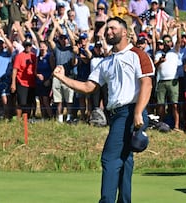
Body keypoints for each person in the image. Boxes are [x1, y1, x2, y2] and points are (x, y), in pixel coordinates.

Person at [52, 17, 154, 202]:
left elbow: (146, 83)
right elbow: (88, 87)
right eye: (107, 29)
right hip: (116, 116)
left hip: (131, 112)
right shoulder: (106, 62)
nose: (109, 32)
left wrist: (139, 112)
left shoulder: (138, 54)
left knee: (109, 158)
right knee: (124, 161)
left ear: (125, 32)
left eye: (113, 28)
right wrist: (62, 78)